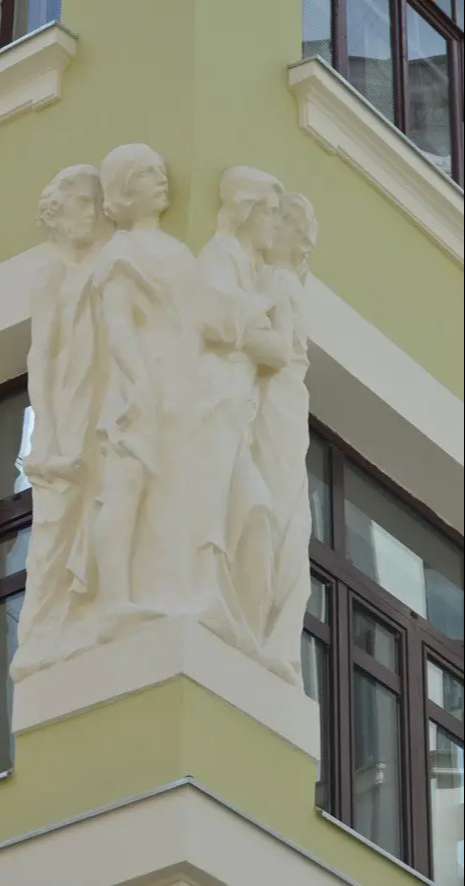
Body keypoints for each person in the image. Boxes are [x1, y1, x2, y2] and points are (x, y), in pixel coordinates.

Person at [10, 165, 113, 681]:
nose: (91, 213)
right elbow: (43, 354)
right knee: (57, 516)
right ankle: (41, 632)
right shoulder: (53, 273)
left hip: (104, 400)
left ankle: (83, 614)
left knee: (99, 506)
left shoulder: (111, 259)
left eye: (95, 203)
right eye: (82, 204)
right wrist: (47, 431)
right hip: (67, 408)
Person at [91, 143, 198, 632]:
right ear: (123, 191)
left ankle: (167, 585)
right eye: (146, 174)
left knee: (171, 488)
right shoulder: (121, 253)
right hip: (141, 384)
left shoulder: (177, 253)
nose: (160, 179)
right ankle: (114, 600)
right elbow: (118, 325)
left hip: (178, 381)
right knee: (126, 487)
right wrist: (137, 383)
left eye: (159, 171)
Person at [192, 166, 296, 659]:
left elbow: (275, 350)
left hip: (238, 411)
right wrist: (264, 315)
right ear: (246, 211)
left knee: (255, 513)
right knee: (212, 503)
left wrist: (262, 322)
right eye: (269, 212)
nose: (275, 222)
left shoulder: (251, 271)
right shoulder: (219, 256)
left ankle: (247, 635)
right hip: (214, 403)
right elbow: (215, 321)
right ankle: (206, 596)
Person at [255, 192, 319, 686]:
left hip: (277, 400)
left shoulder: (276, 282)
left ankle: (271, 634)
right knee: (288, 515)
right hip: (284, 401)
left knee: (281, 513)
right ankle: (275, 638)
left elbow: (277, 350)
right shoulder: (282, 282)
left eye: (281, 223)